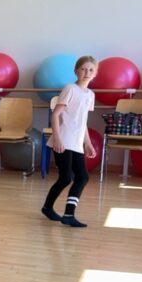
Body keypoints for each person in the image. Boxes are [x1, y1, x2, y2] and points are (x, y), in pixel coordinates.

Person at [41, 55, 98, 228]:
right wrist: (57, 138)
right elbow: (56, 114)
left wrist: (87, 143)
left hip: (77, 142)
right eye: (83, 69)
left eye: (91, 70)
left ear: (95, 73)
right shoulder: (70, 89)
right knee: (66, 177)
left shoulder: (90, 95)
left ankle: (66, 214)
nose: (86, 73)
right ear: (76, 71)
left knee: (81, 177)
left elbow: (82, 122)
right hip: (64, 140)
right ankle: (52, 209)